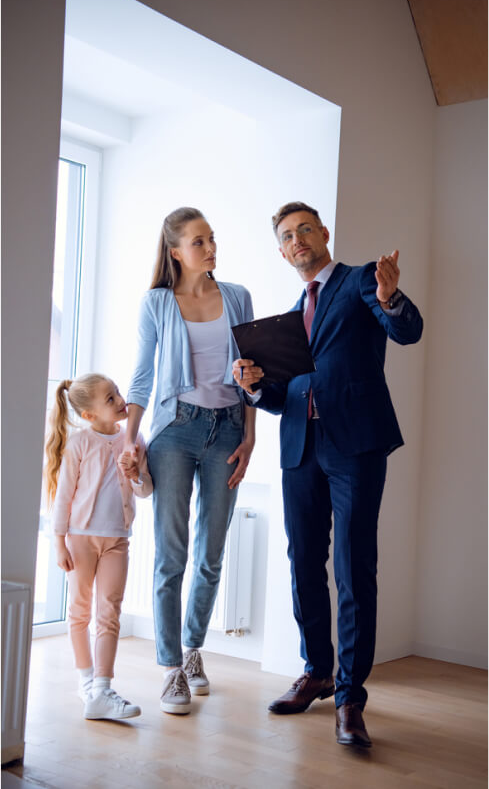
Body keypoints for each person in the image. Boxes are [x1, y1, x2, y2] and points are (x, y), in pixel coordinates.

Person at [233, 201, 423, 747]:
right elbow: (285, 392)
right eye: (287, 236)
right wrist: (253, 385)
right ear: (281, 250)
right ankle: (317, 669)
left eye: (304, 230)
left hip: (356, 446)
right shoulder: (292, 315)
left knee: (353, 566)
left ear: (323, 233)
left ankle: (349, 696)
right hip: (300, 447)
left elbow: (406, 330)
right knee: (302, 564)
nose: (297, 241)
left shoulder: (362, 281)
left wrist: (390, 297)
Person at [119, 206, 256, 715]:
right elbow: (141, 377)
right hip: (174, 431)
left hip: (227, 431)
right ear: (176, 251)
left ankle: (194, 649)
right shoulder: (157, 303)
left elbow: (252, 375)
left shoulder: (238, 297)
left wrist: (250, 436)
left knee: (211, 551)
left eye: (212, 238)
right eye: (199, 242)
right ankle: (171, 669)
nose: (211, 247)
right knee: (170, 554)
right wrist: (130, 441)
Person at [45, 373, 153, 721]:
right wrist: (58, 541)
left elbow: (145, 490)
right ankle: (87, 681)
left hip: (117, 540)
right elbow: (63, 498)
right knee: (80, 611)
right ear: (90, 415)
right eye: (110, 398)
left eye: (117, 392)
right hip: (80, 538)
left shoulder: (134, 440)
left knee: (109, 611)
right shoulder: (79, 443)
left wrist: (135, 472)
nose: (121, 400)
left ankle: (103, 689)